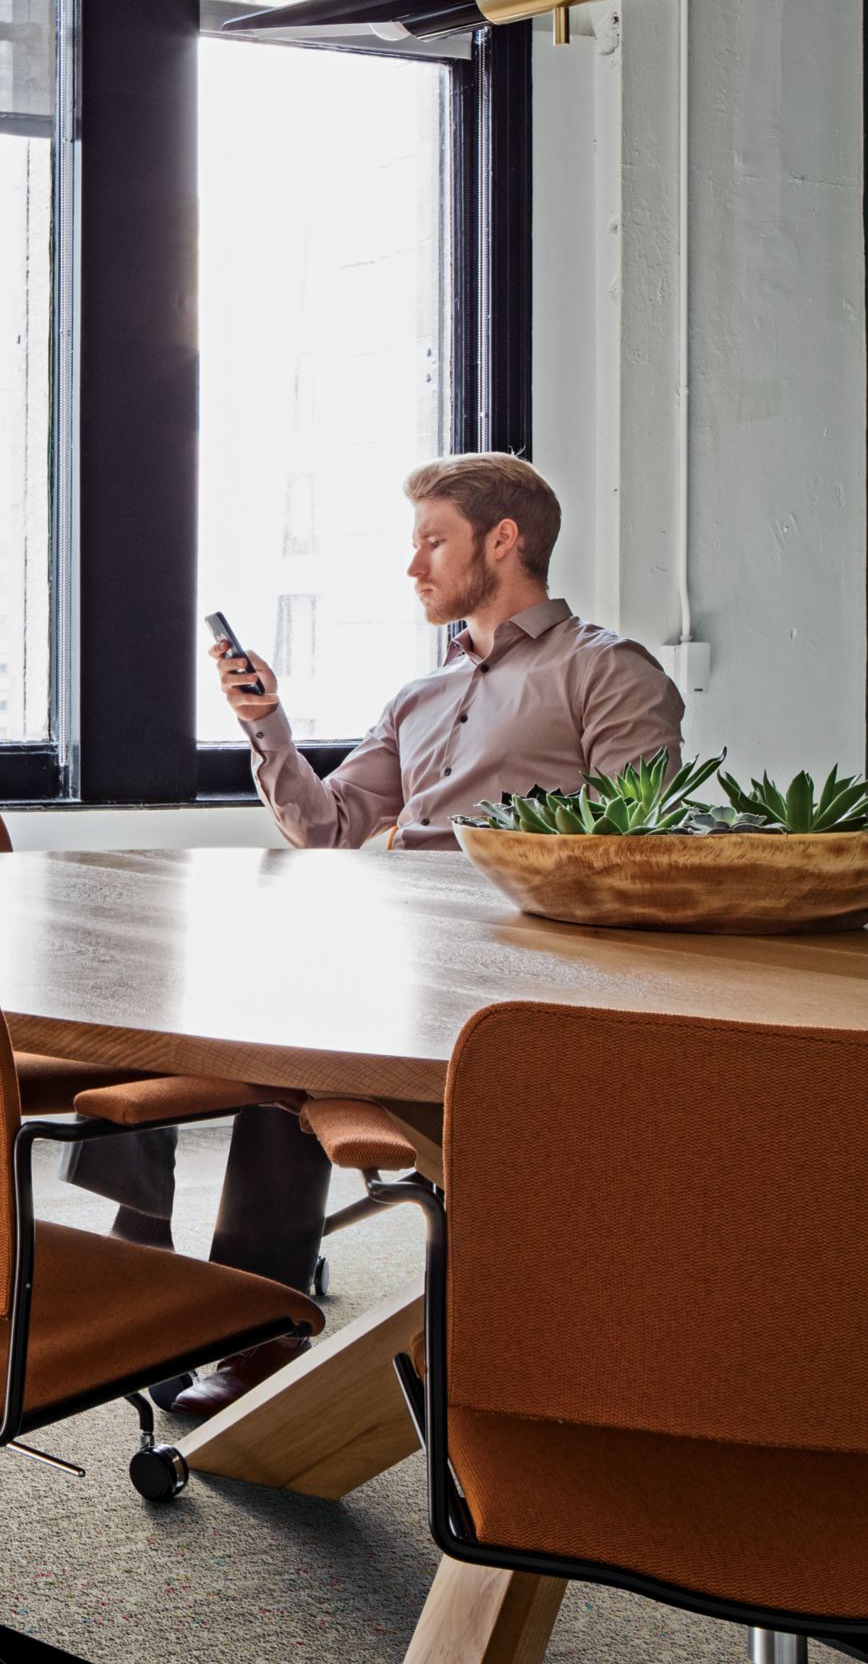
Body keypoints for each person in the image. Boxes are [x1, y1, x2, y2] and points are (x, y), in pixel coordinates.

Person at [69, 452, 684, 1422]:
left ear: (503, 540)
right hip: (391, 948)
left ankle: (254, 1321)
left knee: (281, 1008)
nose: (413, 568)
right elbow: (329, 829)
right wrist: (266, 723)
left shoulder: (602, 672)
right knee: (184, 968)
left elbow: (634, 843)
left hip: (511, 965)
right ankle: (146, 1240)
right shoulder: (419, 696)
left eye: (431, 541)